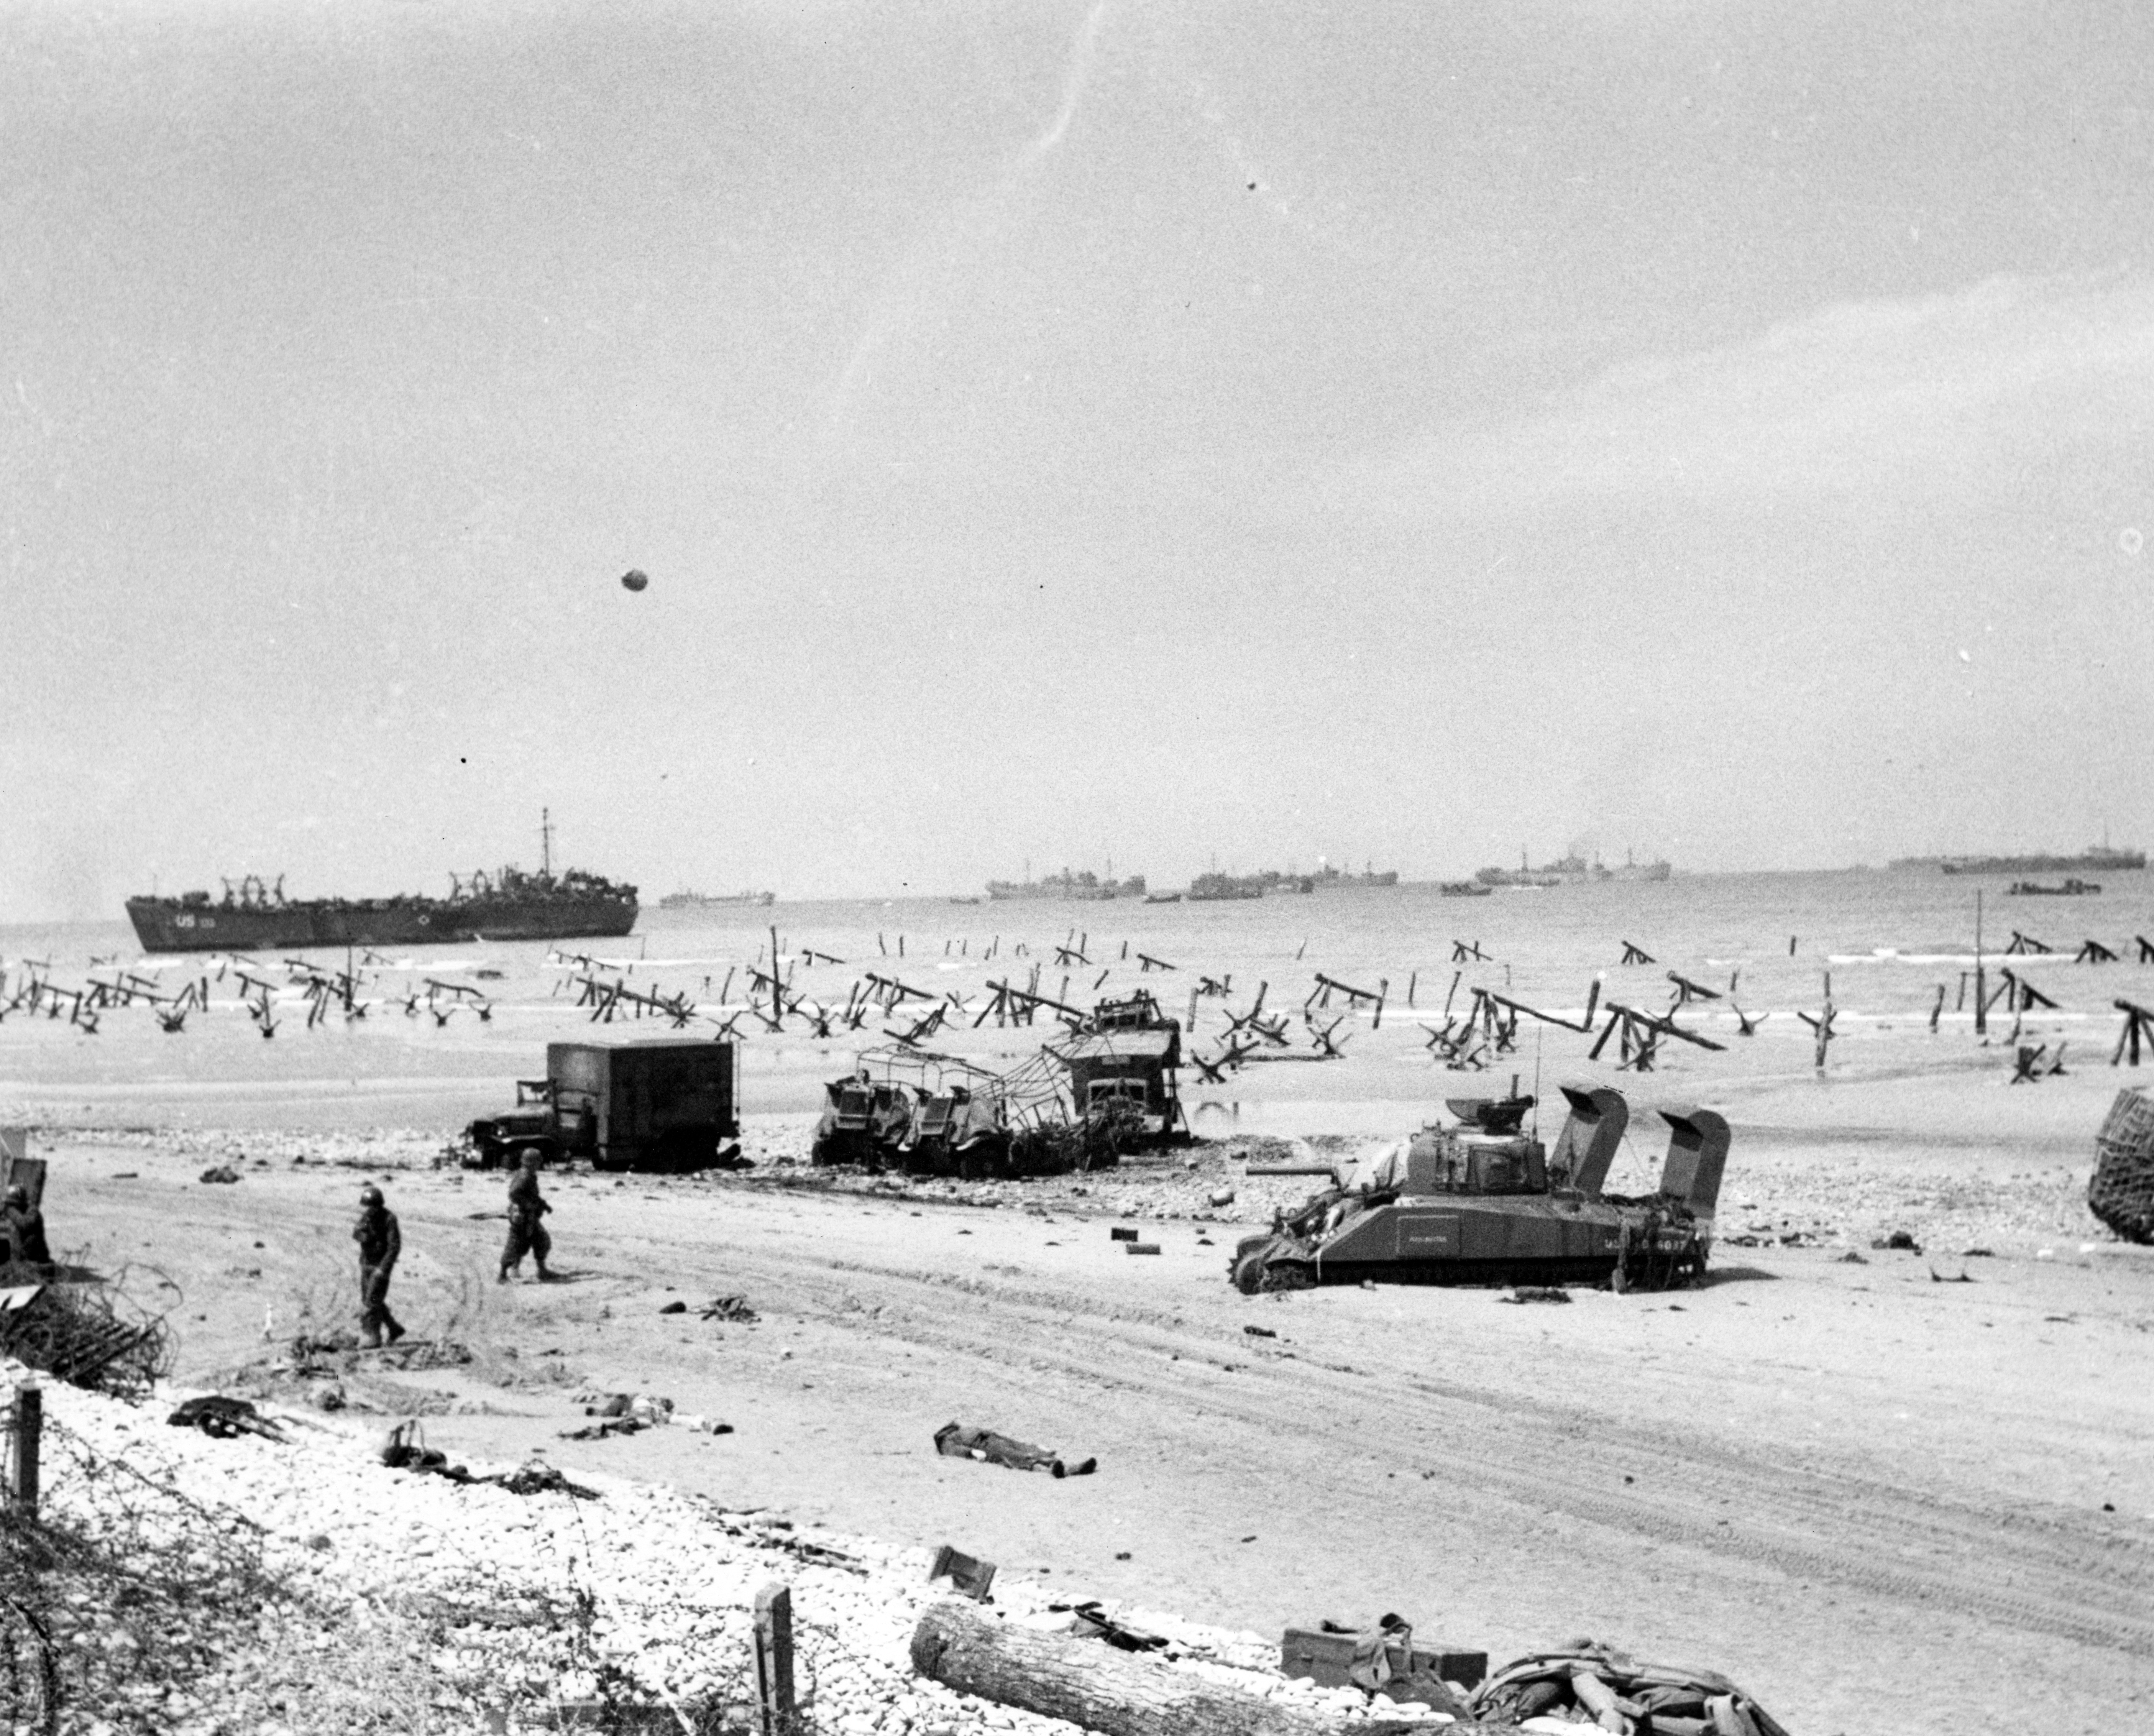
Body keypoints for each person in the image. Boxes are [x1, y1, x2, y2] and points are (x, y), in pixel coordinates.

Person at [353, 1184, 405, 1347]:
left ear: (379, 1205)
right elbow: (356, 1234)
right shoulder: (367, 1218)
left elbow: (394, 1247)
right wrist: (364, 1235)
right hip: (367, 1265)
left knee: (372, 1302)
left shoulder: (389, 1219)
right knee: (371, 1299)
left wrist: (383, 1269)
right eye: (367, 1207)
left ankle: (372, 1336)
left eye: (371, 1207)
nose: (369, 1210)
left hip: (380, 1270)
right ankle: (394, 1328)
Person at [499, 1147, 554, 1283]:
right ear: (532, 1162)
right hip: (523, 1216)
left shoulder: (528, 1175)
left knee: (540, 1240)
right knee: (517, 1244)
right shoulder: (525, 1176)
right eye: (538, 1161)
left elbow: (532, 1195)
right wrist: (528, 1205)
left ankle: (541, 1270)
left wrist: (543, 1205)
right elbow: (514, 1194)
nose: (540, 1163)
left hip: (529, 1216)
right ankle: (503, 1275)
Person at [3, 1186, 51, 1273]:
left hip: (37, 1263)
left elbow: (25, 1225)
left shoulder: (33, 1212)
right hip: (20, 1260)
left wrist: (11, 1212)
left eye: (13, 1205)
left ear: (21, 1203)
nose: (11, 1208)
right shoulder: (14, 1215)